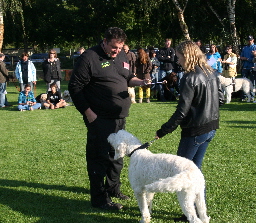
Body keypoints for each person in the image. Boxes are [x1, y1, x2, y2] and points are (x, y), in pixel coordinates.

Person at [68, 27, 150, 210]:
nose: (117, 51)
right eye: (114, 47)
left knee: (117, 155)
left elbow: (128, 77)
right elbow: (75, 86)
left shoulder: (122, 55)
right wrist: (89, 114)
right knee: (99, 157)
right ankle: (99, 199)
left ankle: (113, 188)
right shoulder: (89, 57)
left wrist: (141, 82)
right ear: (104, 41)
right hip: (99, 118)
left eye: (120, 48)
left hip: (119, 117)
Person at [155, 40, 224, 222]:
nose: (178, 61)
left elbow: (182, 111)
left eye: (179, 57)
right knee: (196, 172)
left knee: (184, 173)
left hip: (195, 130)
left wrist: (163, 130)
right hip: (210, 127)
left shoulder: (190, 77)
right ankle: (200, 212)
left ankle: (191, 215)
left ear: (187, 56)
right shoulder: (212, 72)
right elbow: (221, 99)